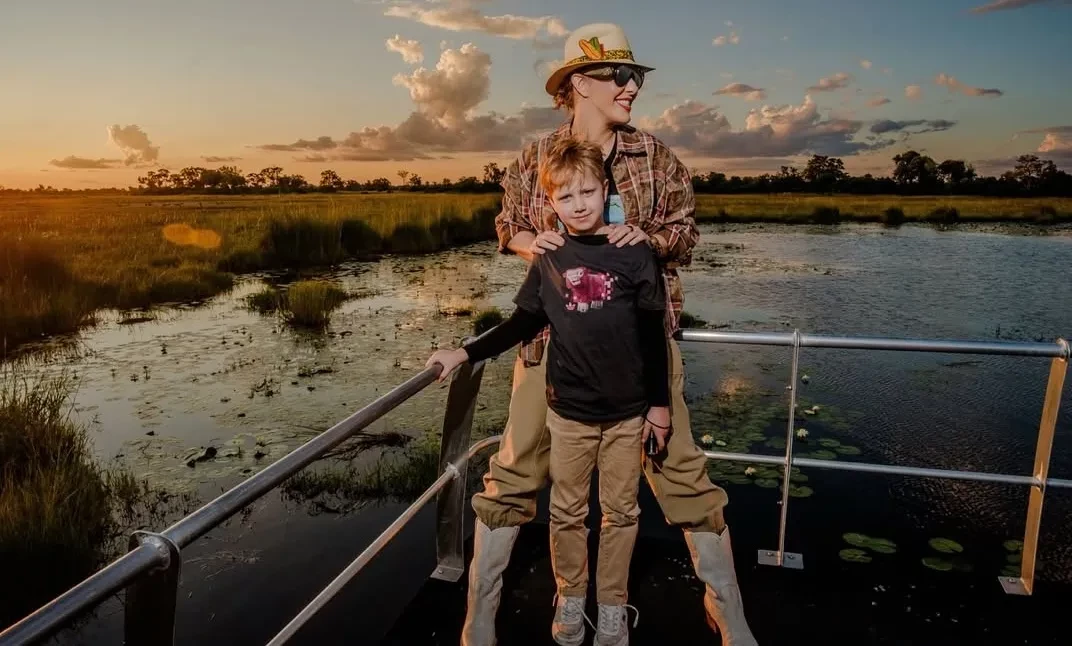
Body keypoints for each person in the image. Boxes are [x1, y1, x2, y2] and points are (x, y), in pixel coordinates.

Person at [461, 22, 758, 646]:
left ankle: (725, 605)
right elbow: (507, 224)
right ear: (579, 83)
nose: (632, 86)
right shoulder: (532, 159)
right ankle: (480, 614)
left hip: (642, 353)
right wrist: (533, 244)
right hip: (550, 348)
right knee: (514, 474)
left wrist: (646, 239)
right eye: (620, 75)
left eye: (635, 75)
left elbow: (686, 232)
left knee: (680, 471)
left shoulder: (658, 158)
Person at [428, 137, 670, 646]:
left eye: (588, 192)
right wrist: (463, 353)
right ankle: (572, 597)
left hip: (627, 414)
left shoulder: (635, 252)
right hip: (569, 413)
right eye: (566, 196)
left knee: (622, 514)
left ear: (606, 190)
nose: (578, 204)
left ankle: (611, 606)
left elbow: (652, 337)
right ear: (552, 203)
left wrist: (659, 407)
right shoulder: (551, 256)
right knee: (566, 512)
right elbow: (522, 322)